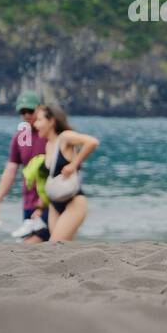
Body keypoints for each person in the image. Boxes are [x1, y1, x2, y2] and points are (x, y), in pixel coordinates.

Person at [0, 91, 49, 245]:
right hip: (29, 202)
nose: (26, 115)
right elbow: (10, 172)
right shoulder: (19, 137)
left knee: (38, 242)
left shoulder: (50, 134)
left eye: (30, 111)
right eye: (22, 112)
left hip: (49, 201)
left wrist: (44, 205)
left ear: (40, 109)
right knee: (34, 245)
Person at [33, 104, 100, 242]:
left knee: (55, 244)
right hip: (54, 204)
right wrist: (40, 207)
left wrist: (73, 165)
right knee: (61, 250)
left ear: (51, 121)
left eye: (39, 120)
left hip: (73, 201)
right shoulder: (48, 145)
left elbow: (92, 142)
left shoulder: (64, 138)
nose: (35, 124)